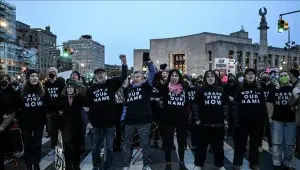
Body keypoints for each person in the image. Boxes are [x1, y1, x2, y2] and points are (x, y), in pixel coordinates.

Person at [84, 55, 127, 170]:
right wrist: (88, 121)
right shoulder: (91, 89)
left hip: (109, 123)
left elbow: (123, 76)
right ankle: (97, 166)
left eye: (102, 73)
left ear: (105, 75)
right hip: (96, 124)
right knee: (96, 147)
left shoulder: (111, 84)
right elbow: (87, 107)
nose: (100, 75)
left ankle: (107, 166)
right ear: (95, 76)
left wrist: (124, 63)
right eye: (98, 74)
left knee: (109, 147)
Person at [121, 53, 156, 170]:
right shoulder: (128, 90)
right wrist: (122, 119)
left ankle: (145, 165)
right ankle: (126, 165)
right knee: (127, 145)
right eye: (134, 76)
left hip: (144, 120)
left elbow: (153, 74)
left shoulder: (146, 87)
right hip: (129, 121)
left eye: (138, 76)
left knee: (145, 144)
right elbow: (125, 106)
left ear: (143, 78)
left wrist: (149, 62)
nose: (136, 78)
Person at [232, 68, 268, 170]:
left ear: (255, 76)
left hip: (256, 122)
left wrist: (263, 119)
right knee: (240, 144)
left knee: (254, 145)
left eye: (252, 74)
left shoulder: (259, 88)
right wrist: (236, 120)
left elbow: (263, 105)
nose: (250, 76)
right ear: (245, 76)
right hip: (242, 122)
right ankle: (237, 163)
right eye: (248, 74)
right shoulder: (240, 88)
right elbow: (235, 105)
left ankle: (254, 164)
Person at [192, 70, 227, 170]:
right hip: (203, 123)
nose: (210, 78)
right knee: (201, 147)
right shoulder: (200, 90)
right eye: (208, 76)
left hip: (218, 124)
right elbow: (195, 105)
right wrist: (196, 118)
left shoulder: (221, 90)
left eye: (212, 76)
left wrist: (225, 118)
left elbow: (225, 106)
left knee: (219, 148)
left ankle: (219, 165)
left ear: (215, 78)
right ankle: (199, 164)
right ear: (205, 78)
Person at [18, 69, 52, 170]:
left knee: (37, 144)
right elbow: (16, 104)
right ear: (28, 78)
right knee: (28, 144)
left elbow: (50, 103)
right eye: (32, 76)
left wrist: (57, 111)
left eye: (36, 76)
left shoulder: (43, 89)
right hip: (26, 121)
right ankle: (29, 164)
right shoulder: (22, 90)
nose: (34, 78)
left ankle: (37, 163)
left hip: (39, 121)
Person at [155, 69, 189, 170]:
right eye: (172, 75)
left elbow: (187, 102)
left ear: (179, 77)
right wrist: (159, 71)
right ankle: (168, 163)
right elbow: (154, 82)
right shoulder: (165, 87)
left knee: (181, 141)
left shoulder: (184, 87)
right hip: (167, 119)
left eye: (176, 75)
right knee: (168, 142)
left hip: (181, 119)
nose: (174, 77)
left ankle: (181, 162)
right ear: (169, 77)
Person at [267, 71, 295, 170]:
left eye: (285, 75)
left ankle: (287, 162)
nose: (283, 77)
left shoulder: (293, 89)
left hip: (291, 120)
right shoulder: (274, 90)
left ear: (289, 77)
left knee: (289, 144)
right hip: (277, 120)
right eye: (281, 76)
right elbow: (269, 105)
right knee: (277, 143)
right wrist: (270, 118)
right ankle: (276, 162)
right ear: (279, 78)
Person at [58, 79, 85, 170]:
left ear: (75, 88)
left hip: (77, 125)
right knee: (67, 146)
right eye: (68, 87)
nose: (69, 89)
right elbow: (58, 110)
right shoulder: (62, 98)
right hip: (66, 125)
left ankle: (76, 165)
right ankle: (68, 165)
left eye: (71, 87)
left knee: (76, 146)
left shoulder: (79, 98)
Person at [44, 67, 65, 156]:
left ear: (56, 73)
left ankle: (61, 147)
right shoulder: (45, 84)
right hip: (49, 111)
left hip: (59, 111)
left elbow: (63, 96)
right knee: (52, 131)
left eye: (53, 72)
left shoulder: (60, 83)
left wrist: (61, 108)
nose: (51, 73)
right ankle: (53, 147)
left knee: (60, 130)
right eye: (49, 72)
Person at [0, 74, 18, 170]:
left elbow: (12, 111)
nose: (4, 80)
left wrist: (3, 125)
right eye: (2, 79)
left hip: (4, 125)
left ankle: (10, 153)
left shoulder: (8, 95)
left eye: (6, 79)